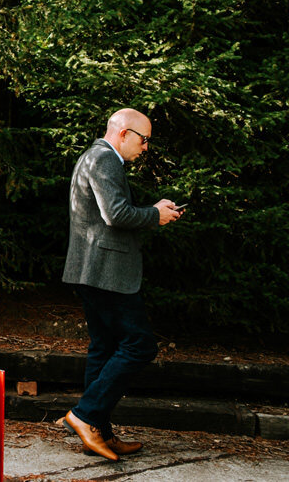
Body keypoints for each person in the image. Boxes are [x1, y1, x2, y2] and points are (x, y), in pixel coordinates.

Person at [61, 108, 183, 460]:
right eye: (144, 140)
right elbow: (116, 214)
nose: (145, 148)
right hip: (105, 271)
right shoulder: (104, 159)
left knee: (103, 347)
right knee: (140, 345)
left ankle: (98, 432)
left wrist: (153, 209)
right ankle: (85, 416)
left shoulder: (93, 157)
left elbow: (107, 213)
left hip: (93, 270)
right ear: (124, 133)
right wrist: (154, 215)